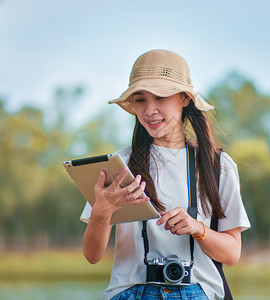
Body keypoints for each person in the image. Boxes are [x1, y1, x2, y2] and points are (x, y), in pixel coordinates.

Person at [80, 49, 250, 300]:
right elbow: (92, 256)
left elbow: (232, 253)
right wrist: (102, 211)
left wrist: (197, 228)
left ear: (184, 98)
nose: (150, 110)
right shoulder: (119, 166)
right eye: (140, 99)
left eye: (160, 97)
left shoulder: (218, 166)